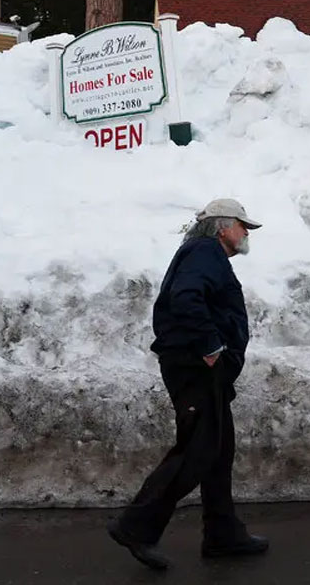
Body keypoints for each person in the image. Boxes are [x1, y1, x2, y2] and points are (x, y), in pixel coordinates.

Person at [106, 198, 270, 570]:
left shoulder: (204, 254)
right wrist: (210, 345)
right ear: (222, 227)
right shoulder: (204, 252)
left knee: (219, 449)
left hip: (201, 369)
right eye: (243, 226)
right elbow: (185, 298)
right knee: (198, 450)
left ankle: (223, 534)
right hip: (194, 369)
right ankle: (137, 527)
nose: (246, 233)